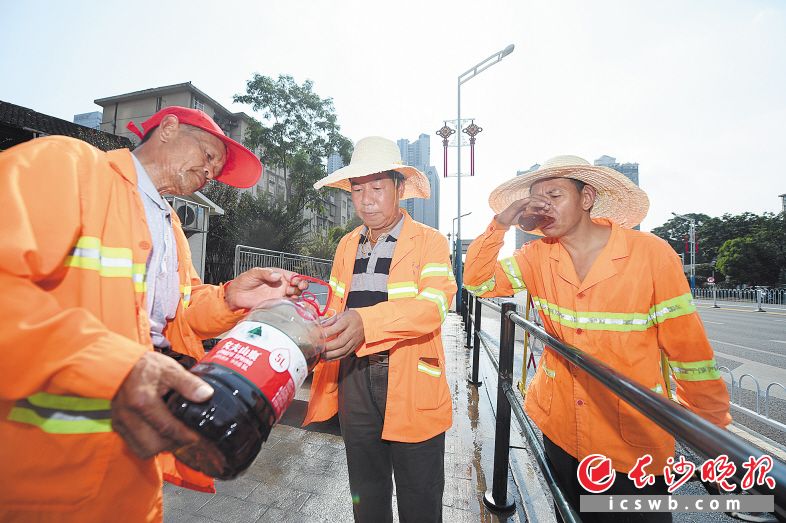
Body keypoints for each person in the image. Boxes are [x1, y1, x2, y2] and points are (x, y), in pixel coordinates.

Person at [0, 107, 307, 522]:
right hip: (39, 471)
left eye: (217, 166)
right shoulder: (66, 166)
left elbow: (177, 315)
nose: (212, 172)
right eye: (209, 154)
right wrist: (114, 366)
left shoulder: (169, 224)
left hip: (129, 469)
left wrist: (232, 297)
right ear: (168, 128)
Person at [464, 155, 731, 522]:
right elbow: (477, 281)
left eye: (554, 194)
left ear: (586, 198)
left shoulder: (650, 254)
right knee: (568, 514)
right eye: (535, 198)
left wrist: (718, 443)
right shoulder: (536, 256)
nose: (543, 205)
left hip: (629, 444)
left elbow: (691, 355)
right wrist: (501, 223)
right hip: (559, 429)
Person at [303, 136, 457, 523]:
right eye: (358, 190)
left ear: (399, 189)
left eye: (377, 188)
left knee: (419, 494)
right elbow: (336, 306)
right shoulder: (345, 245)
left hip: (409, 375)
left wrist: (364, 322)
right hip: (355, 376)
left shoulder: (431, 243)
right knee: (366, 491)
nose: (367, 199)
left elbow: (433, 308)